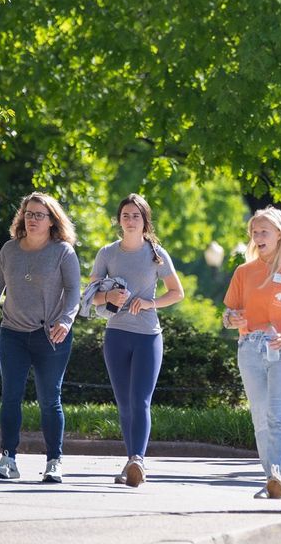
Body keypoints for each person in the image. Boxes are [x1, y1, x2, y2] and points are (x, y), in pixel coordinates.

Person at [0, 192, 81, 483]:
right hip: (13, 335)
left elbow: (73, 292)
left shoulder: (63, 251)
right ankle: (8, 459)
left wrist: (66, 321)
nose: (32, 219)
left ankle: (54, 462)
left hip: (52, 336)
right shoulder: (9, 250)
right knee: (10, 397)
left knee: (50, 400)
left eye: (39, 215)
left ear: (51, 221)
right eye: (28, 214)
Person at [88, 194, 185, 487]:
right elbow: (91, 296)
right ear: (119, 220)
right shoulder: (107, 253)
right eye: (126, 215)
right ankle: (130, 460)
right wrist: (109, 296)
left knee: (141, 400)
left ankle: (137, 461)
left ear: (145, 221)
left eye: (136, 216)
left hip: (148, 337)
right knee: (124, 402)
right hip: (116, 334)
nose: (130, 221)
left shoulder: (156, 254)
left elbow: (176, 292)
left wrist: (148, 303)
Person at [222, 207, 281, 499]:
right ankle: (270, 477)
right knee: (260, 416)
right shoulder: (244, 272)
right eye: (254, 232)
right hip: (250, 348)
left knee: (279, 415)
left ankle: (276, 474)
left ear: (279, 234)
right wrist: (231, 319)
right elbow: (228, 313)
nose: (258, 236)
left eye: (264, 231)